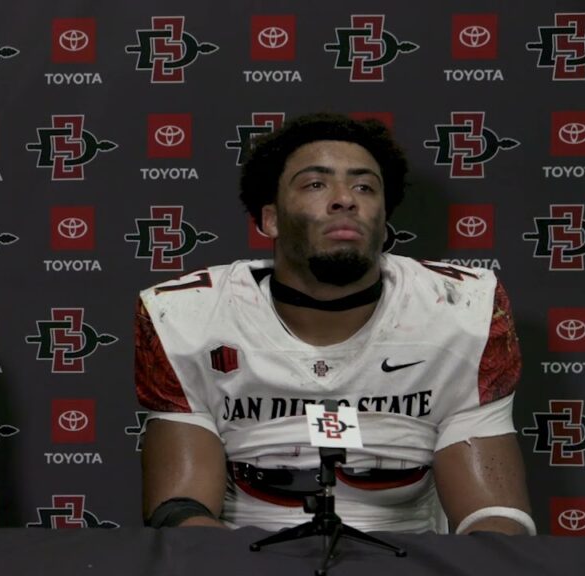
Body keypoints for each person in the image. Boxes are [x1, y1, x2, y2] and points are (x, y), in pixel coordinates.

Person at [134, 112, 533, 535]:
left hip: (407, 555)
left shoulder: (459, 309)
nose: (345, 199)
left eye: (364, 186)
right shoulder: (188, 315)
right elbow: (181, 510)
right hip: (244, 552)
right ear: (268, 219)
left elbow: (493, 515)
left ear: (383, 224)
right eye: (315, 184)